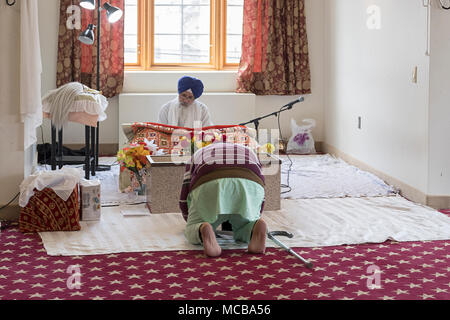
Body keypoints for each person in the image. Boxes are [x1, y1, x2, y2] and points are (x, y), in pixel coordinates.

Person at [179, 142, 267, 257]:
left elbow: (185, 193)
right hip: (249, 184)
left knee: (194, 226)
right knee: (245, 224)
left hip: (211, 183)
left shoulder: (197, 154)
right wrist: (256, 215)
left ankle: (203, 228)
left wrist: (190, 219)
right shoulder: (249, 151)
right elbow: (261, 191)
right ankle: (254, 226)